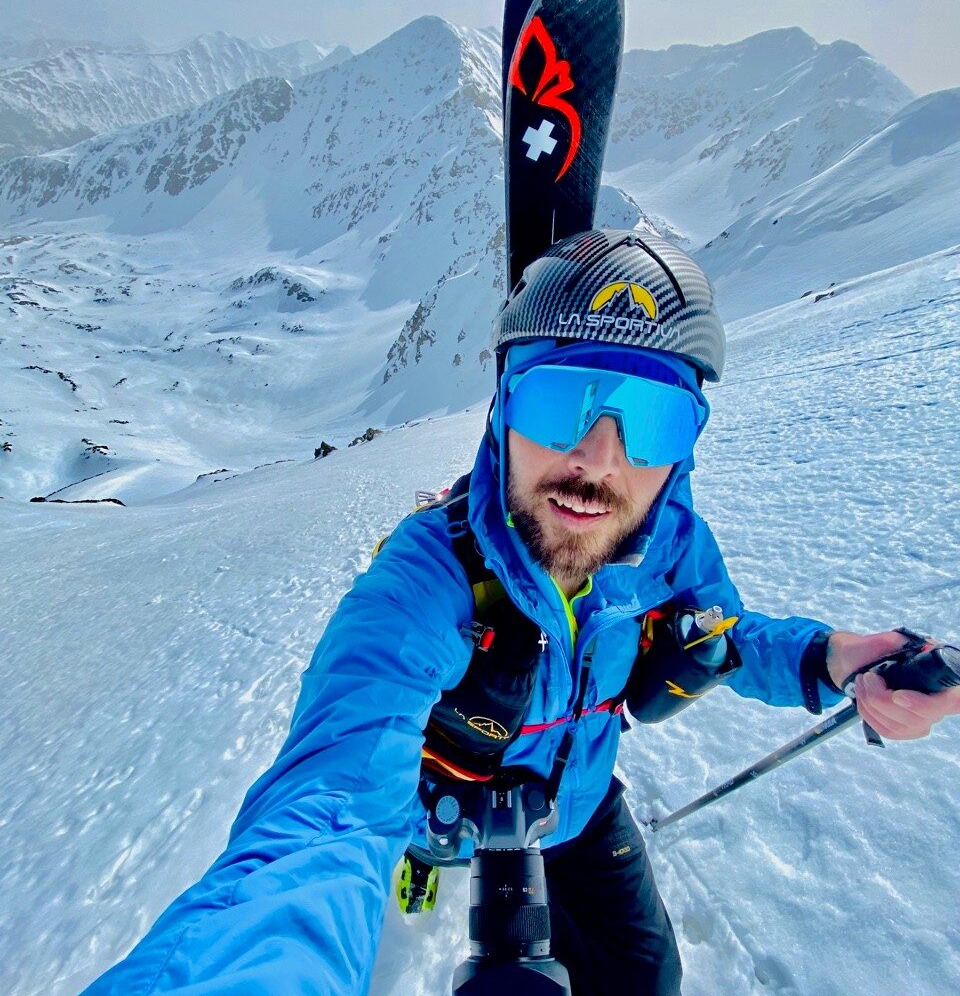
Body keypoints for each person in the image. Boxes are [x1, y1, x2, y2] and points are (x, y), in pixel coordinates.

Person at [82, 230, 959, 996]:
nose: (599, 462)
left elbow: (723, 639)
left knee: (645, 981)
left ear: (685, 448)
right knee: (414, 844)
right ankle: (427, 862)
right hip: (448, 804)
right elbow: (330, 813)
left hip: (574, 807)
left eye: (650, 419)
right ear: (503, 409)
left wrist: (837, 656)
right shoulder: (426, 581)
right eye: (559, 401)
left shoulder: (669, 542)